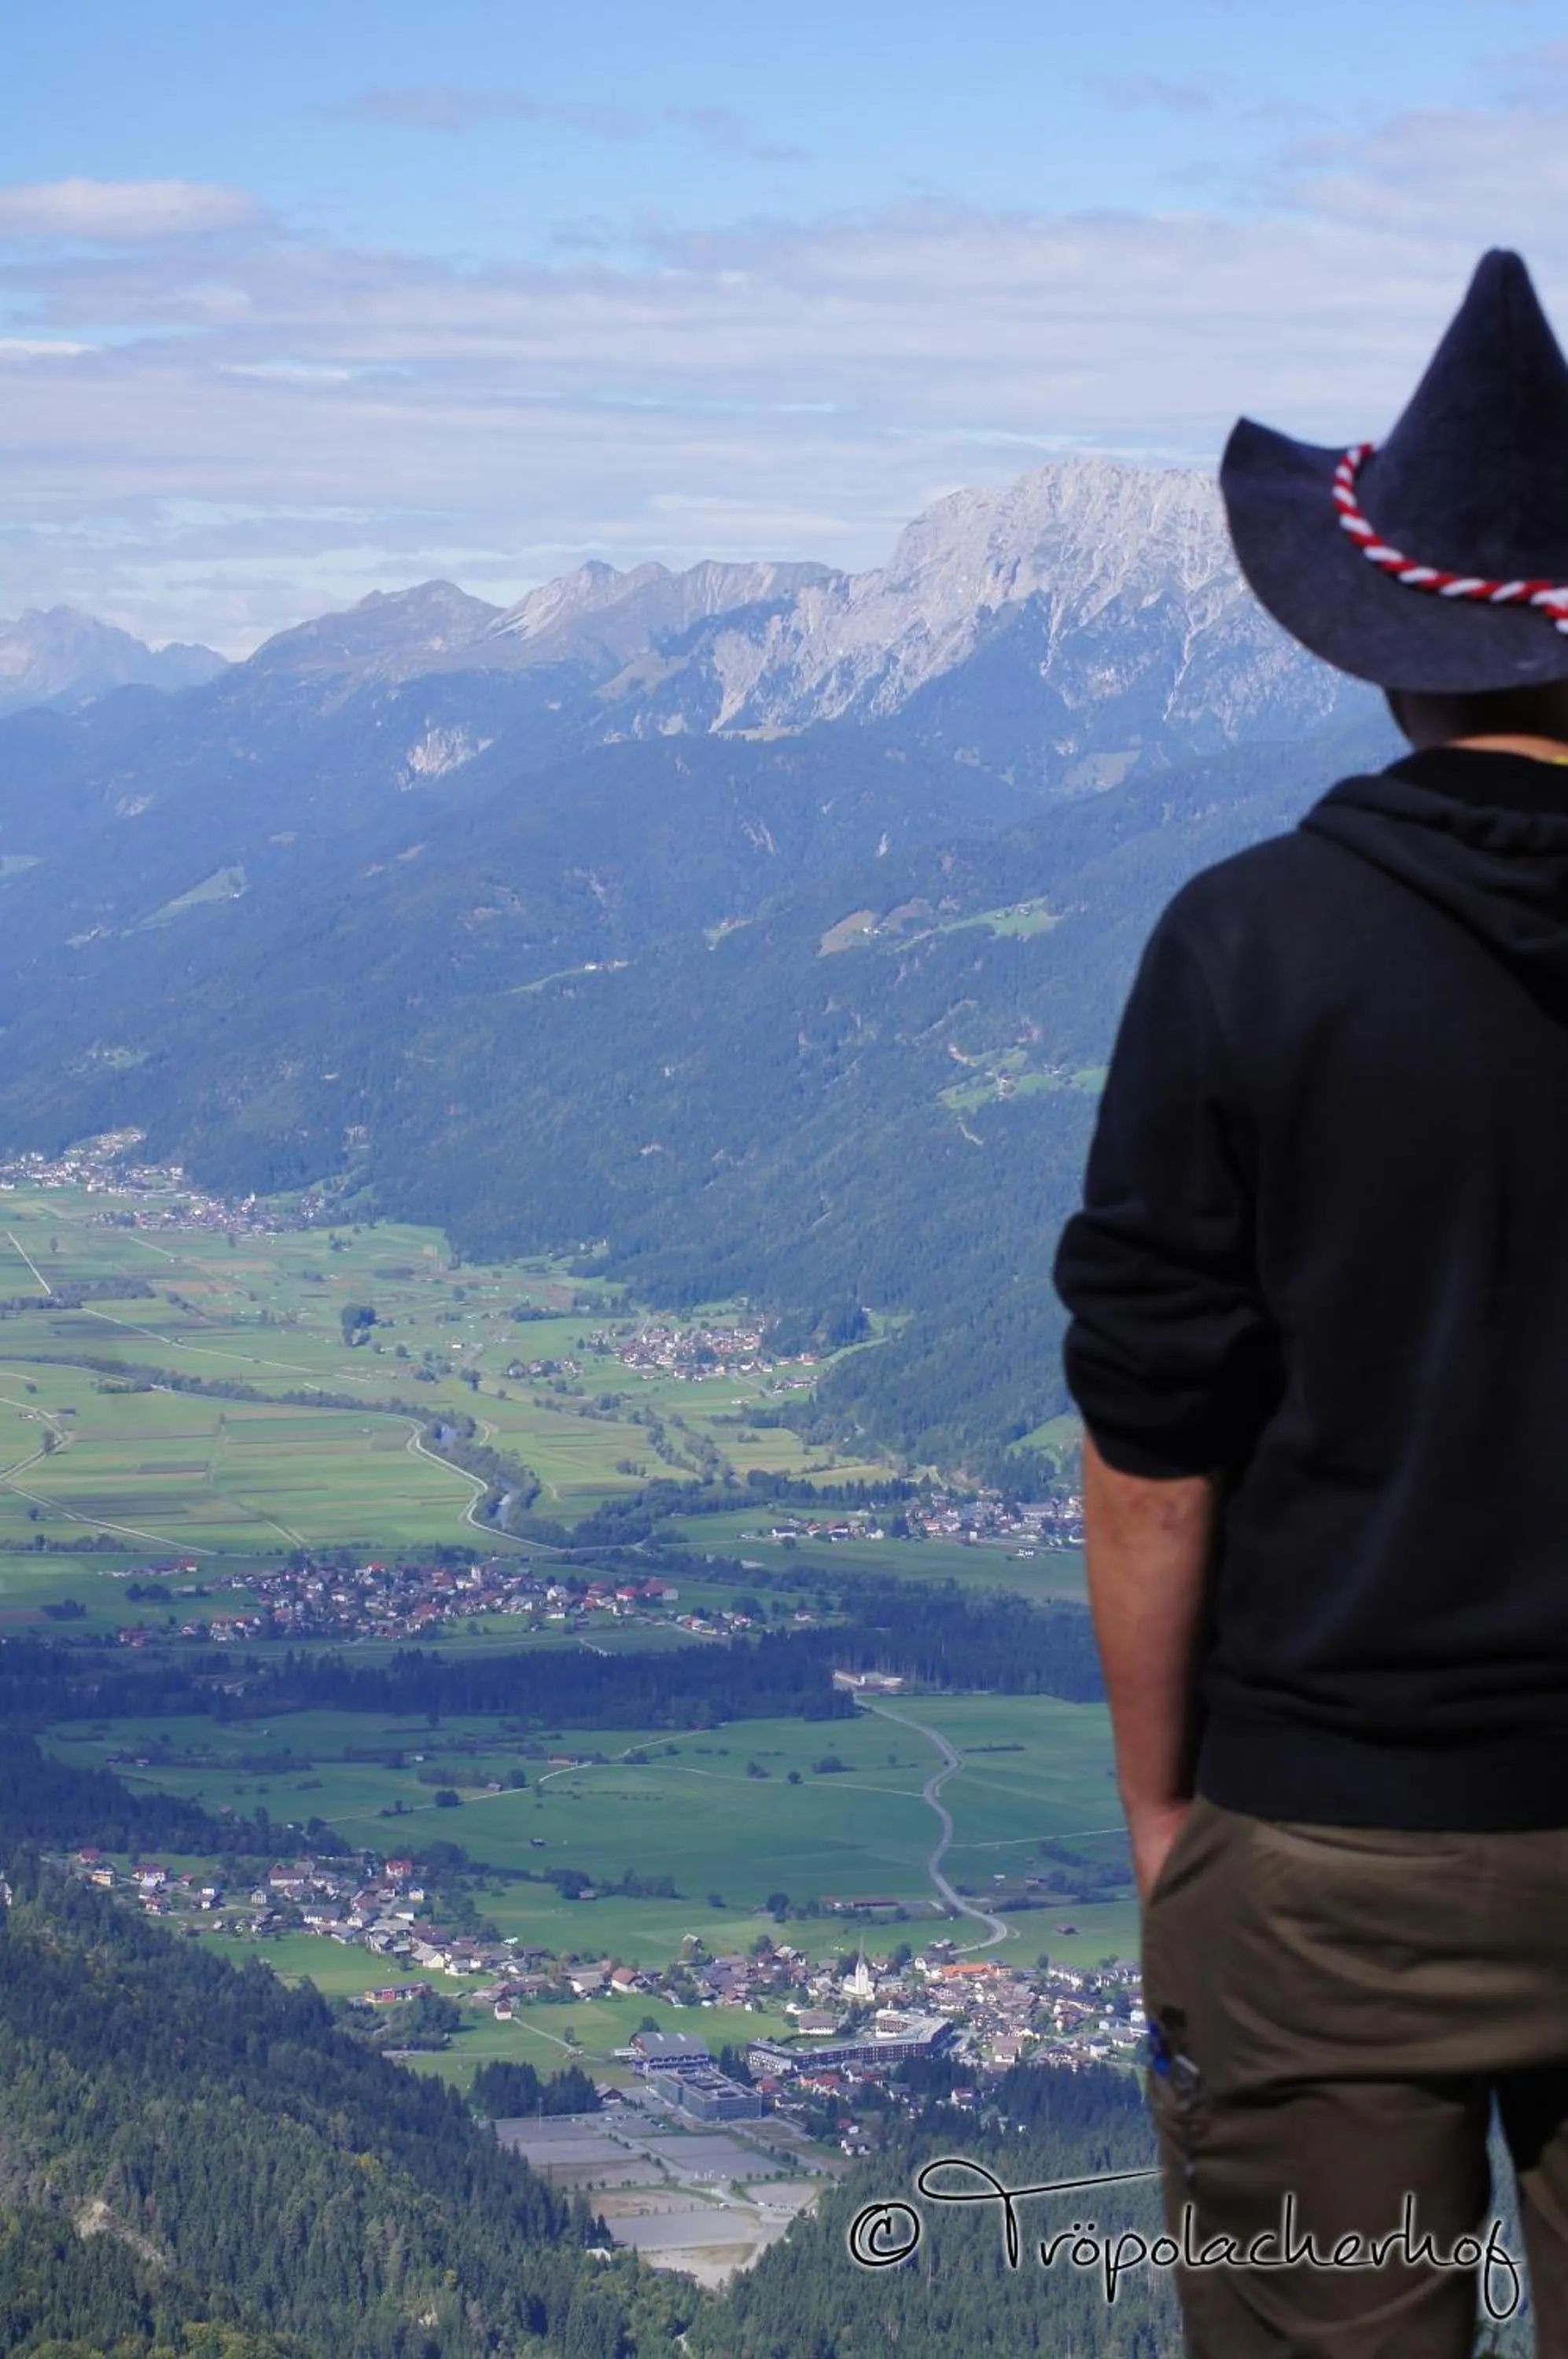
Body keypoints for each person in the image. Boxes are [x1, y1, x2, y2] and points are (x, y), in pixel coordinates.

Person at [1054, 248, 1568, 2357]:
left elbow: (1154, 1443)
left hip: (1336, 1836)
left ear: (1386, 647)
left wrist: (1172, 1817)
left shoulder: (1255, 947)